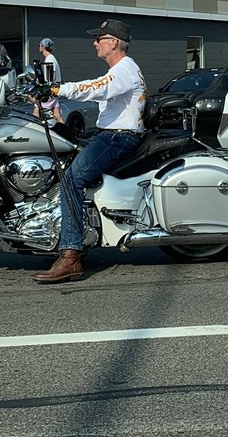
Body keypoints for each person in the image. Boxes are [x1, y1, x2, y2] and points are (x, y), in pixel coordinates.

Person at [31, 17, 146, 284]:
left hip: (119, 137)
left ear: (114, 42)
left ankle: (71, 256)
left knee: (71, 180)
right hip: (112, 133)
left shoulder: (124, 70)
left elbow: (96, 88)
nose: (94, 43)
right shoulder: (121, 70)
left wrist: (58, 88)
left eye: (99, 39)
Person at [33, 37, 63, 124]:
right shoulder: (52, 58)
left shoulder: (49, 59)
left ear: (43, 46)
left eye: (40, 45)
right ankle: (64, 132)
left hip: (50, 89)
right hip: (55, 89)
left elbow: (51, 76)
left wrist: (44, 84)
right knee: (57, 115)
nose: (39, 47)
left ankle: (36, 130)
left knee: (36, 111)